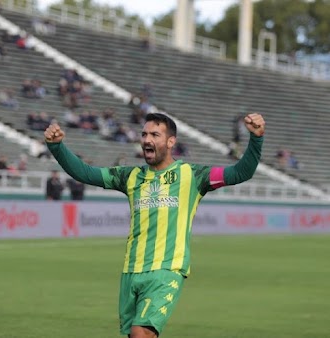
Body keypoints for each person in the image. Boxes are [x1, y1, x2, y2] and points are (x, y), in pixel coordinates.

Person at [44, 112, 265, 338]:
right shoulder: (130, 176)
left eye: (155, 135)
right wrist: (57, 147)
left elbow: (240, 172)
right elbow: (86, 173)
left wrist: (256, 138)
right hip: (132, 270)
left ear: (170, 141)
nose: (147, 140)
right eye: (144, 134)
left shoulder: (193, 175)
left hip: (166, 270)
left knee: (142, 333)